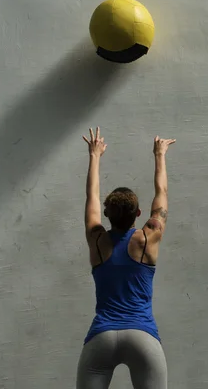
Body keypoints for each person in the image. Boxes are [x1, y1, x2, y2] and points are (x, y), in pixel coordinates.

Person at [76, 127, 176, 389]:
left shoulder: (97, 240)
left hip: (102, 336)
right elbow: (162, 192)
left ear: (107, 214)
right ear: (139, 213)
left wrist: (94, 155)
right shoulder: (148, 237)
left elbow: (91, 198)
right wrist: (159, 154)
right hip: (142, 336)